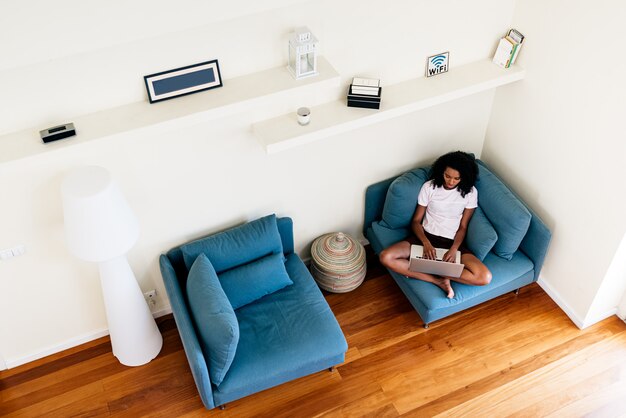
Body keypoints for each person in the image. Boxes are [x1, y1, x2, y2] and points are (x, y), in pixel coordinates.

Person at [379, 151, 492, 299]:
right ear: (441, 172)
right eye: (447, 176)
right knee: (385, 257)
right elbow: (415, 221)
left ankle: (436, 269)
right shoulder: (430, 187)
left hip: (451, 243)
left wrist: (454, 249)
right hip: (425, 237)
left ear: (464, 177)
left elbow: (463, 227)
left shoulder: (470, 192)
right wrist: (426, 243)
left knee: (484, 277)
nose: (451, 181)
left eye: (456, 178)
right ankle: (436, 280)